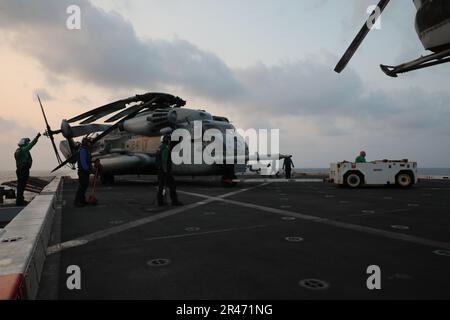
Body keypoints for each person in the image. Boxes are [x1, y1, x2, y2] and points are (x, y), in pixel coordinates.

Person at [14, 133, 41, 206]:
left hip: (20, 170)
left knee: (21, 185)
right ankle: (19, 202)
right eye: (27, 142)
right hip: (23, 170)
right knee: (21, 186)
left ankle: (20, 200)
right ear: (24, 143)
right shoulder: (24, 150)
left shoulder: (19, 150)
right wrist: (36, 138)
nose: (28, 144)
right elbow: (31, 145)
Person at [157, 134, 183, 206]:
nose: (170, 141)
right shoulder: (165, 149)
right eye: (169, 140)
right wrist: (166, 171)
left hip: (160, 171)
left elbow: (158, 161)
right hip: (165, 172)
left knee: (161, 187)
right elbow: (164, 161)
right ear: (167, 141)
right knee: (172, 186)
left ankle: (160, 201)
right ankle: (174, 201)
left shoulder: (159, 148)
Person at [74, 138, 93, 207]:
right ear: (86, 143)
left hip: (85, 171)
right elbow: (83, 162)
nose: (89, 144)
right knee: (82, 186)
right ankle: (77, 201)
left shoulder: (85, 150)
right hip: (83, 171)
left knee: (85, 186)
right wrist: (87, 169)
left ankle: (82, 200)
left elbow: (87, 161)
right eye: (88, 142)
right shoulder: (83, 150)